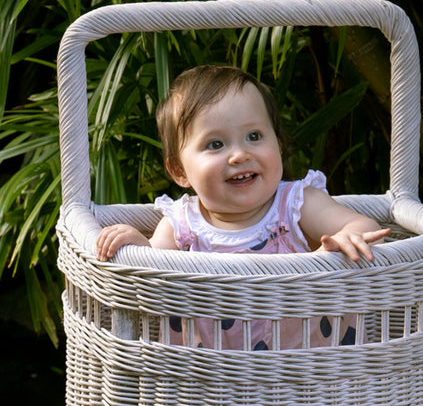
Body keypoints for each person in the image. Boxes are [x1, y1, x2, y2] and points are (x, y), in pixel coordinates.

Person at [95, 65, 389, 263]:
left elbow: (363, 225)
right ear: (179, 171)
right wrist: (139, 249)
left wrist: (347, 237)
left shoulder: (296, 205)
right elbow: (155, 279)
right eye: (215, 144)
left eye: (254, 136)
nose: (239, 155)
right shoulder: (181, 226)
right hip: (213, 357)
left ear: (279, 142)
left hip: (305, 354)